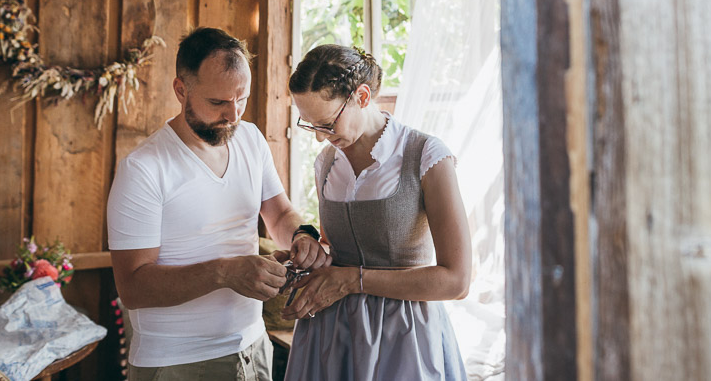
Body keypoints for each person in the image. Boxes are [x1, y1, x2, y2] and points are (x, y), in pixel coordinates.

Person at [107, 27, 330, 381]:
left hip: (253, 348)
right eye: (218, 102)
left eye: (241, 98)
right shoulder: (143, 169)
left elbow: (280, 213)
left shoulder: (252, 139)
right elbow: (132, 287)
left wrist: (301, 237)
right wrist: (225, 273)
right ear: (182, 90)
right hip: (176, 362)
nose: (233, 114)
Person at [282, 44, 472, 381]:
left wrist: (353, 281)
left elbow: (456, 281)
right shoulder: (326, 163)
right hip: (331, 336)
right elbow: (333, 247)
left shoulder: (426, 156)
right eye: (310, 126)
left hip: (404, 337)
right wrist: (310, 247)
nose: (320, 139)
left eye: (326, 124)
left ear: (363, 96)